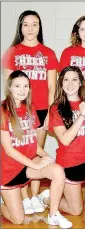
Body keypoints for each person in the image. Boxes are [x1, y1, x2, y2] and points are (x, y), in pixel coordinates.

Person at [1, 10, 58, 215]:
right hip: (18, 110)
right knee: (21, 151)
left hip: (40, 109)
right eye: (26, 24)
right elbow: (8, 85)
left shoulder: (49, 53)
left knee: (36, 150)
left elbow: (52, 87)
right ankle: (23, 198)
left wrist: (50, 114)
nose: (30, 28)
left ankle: (33, 197)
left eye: (35, 24)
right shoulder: (11, 52)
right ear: (20, 27)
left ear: (39, 27)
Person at [1, 70, 72, 228]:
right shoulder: (2, 110)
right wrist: (36, 164)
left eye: (26, 86)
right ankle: (2, 203)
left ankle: (53, 214)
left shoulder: (30, 109)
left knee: (57, 170)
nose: (22, 90)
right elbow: (8, 149)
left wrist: (46, 157)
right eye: (17, 86)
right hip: (8, 170)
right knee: (18, 219)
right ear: (9, 88)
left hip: (27, 166)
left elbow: (32, 143)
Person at [41, 66, 85, 217]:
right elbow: (65, 139)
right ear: (61, 83)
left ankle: (59, 193)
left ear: (80, 83)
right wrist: (81, 116)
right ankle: (47, 198)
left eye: (74, 80)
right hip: (70, 164)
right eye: (66, 80)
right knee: (76, 210)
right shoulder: (56, 108)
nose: (70, 84)